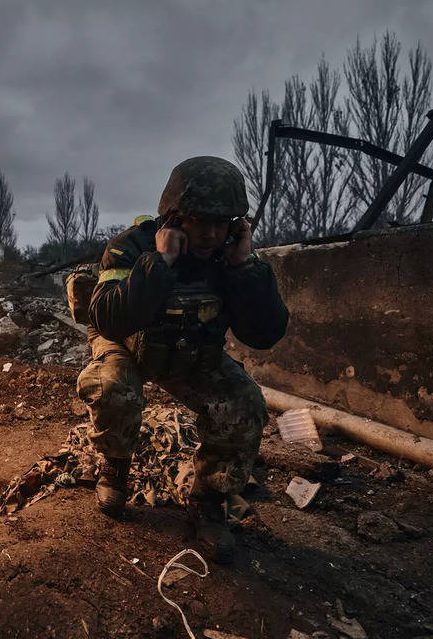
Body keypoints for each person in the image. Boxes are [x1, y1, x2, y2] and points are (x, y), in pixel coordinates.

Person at [78, 155, 289, 562]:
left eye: (221, 222)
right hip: (125, 343)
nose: (210, 233)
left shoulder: (231, 258)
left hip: (190, 351)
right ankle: (115, 464)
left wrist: (244, 268)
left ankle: (208, 501)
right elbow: (106, 319)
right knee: (112, 387)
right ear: (174, 217)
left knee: (243, 403)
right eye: (199, 220)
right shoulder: (133, 245)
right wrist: (159, 264)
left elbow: (264, 334)